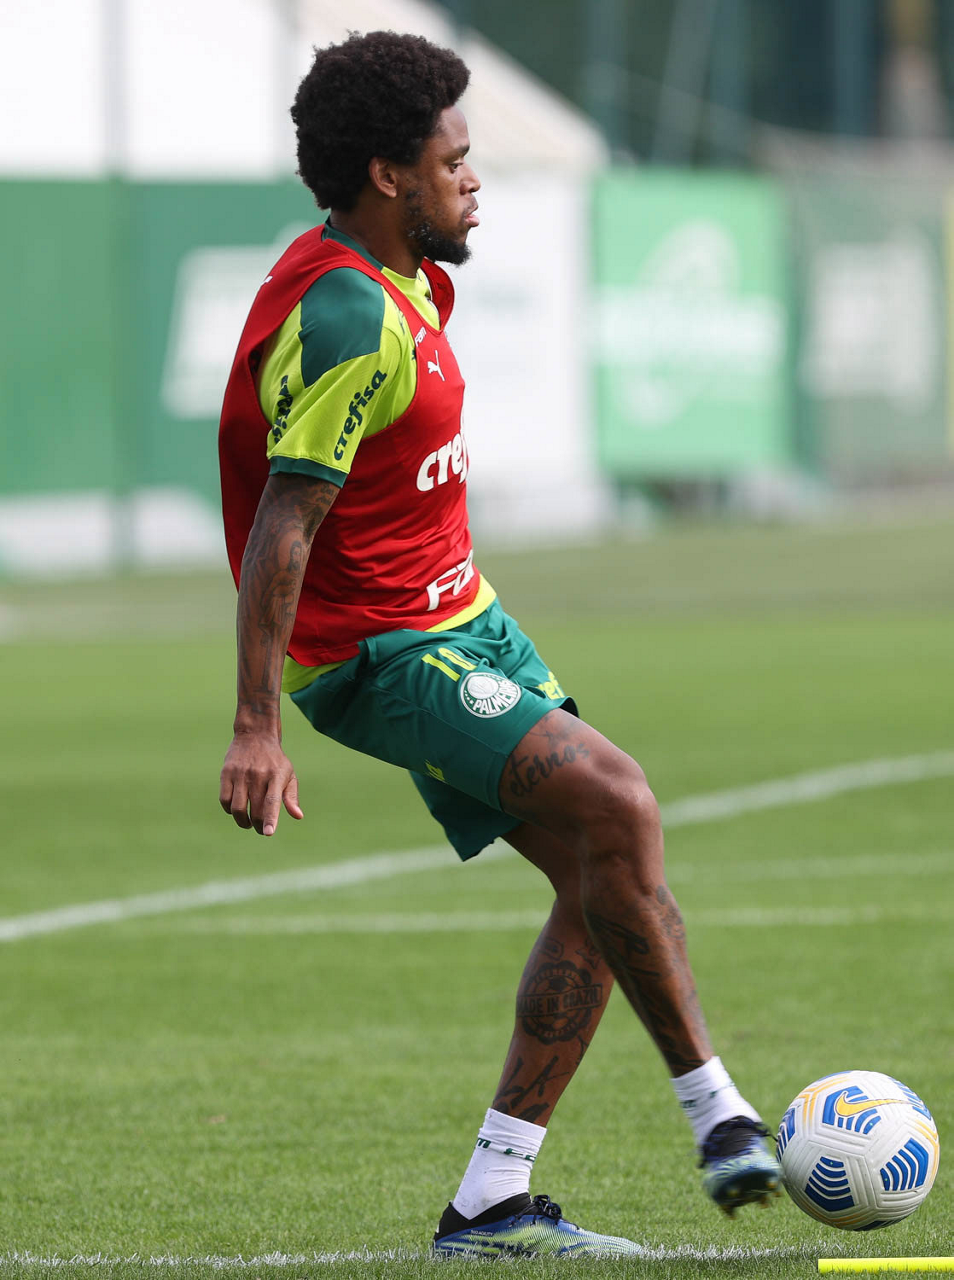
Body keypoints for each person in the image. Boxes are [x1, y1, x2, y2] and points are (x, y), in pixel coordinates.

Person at [218, 30, 780, 1259]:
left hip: (465, 616)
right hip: (380, 652)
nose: (475, 179)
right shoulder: (346, 313)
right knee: (621, 802)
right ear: (387, 175)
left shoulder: (412, 277)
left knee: (604, 870)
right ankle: (723, 1115)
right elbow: (283, 521)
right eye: (453, 160)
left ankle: (492, 1200)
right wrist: (256, 721)